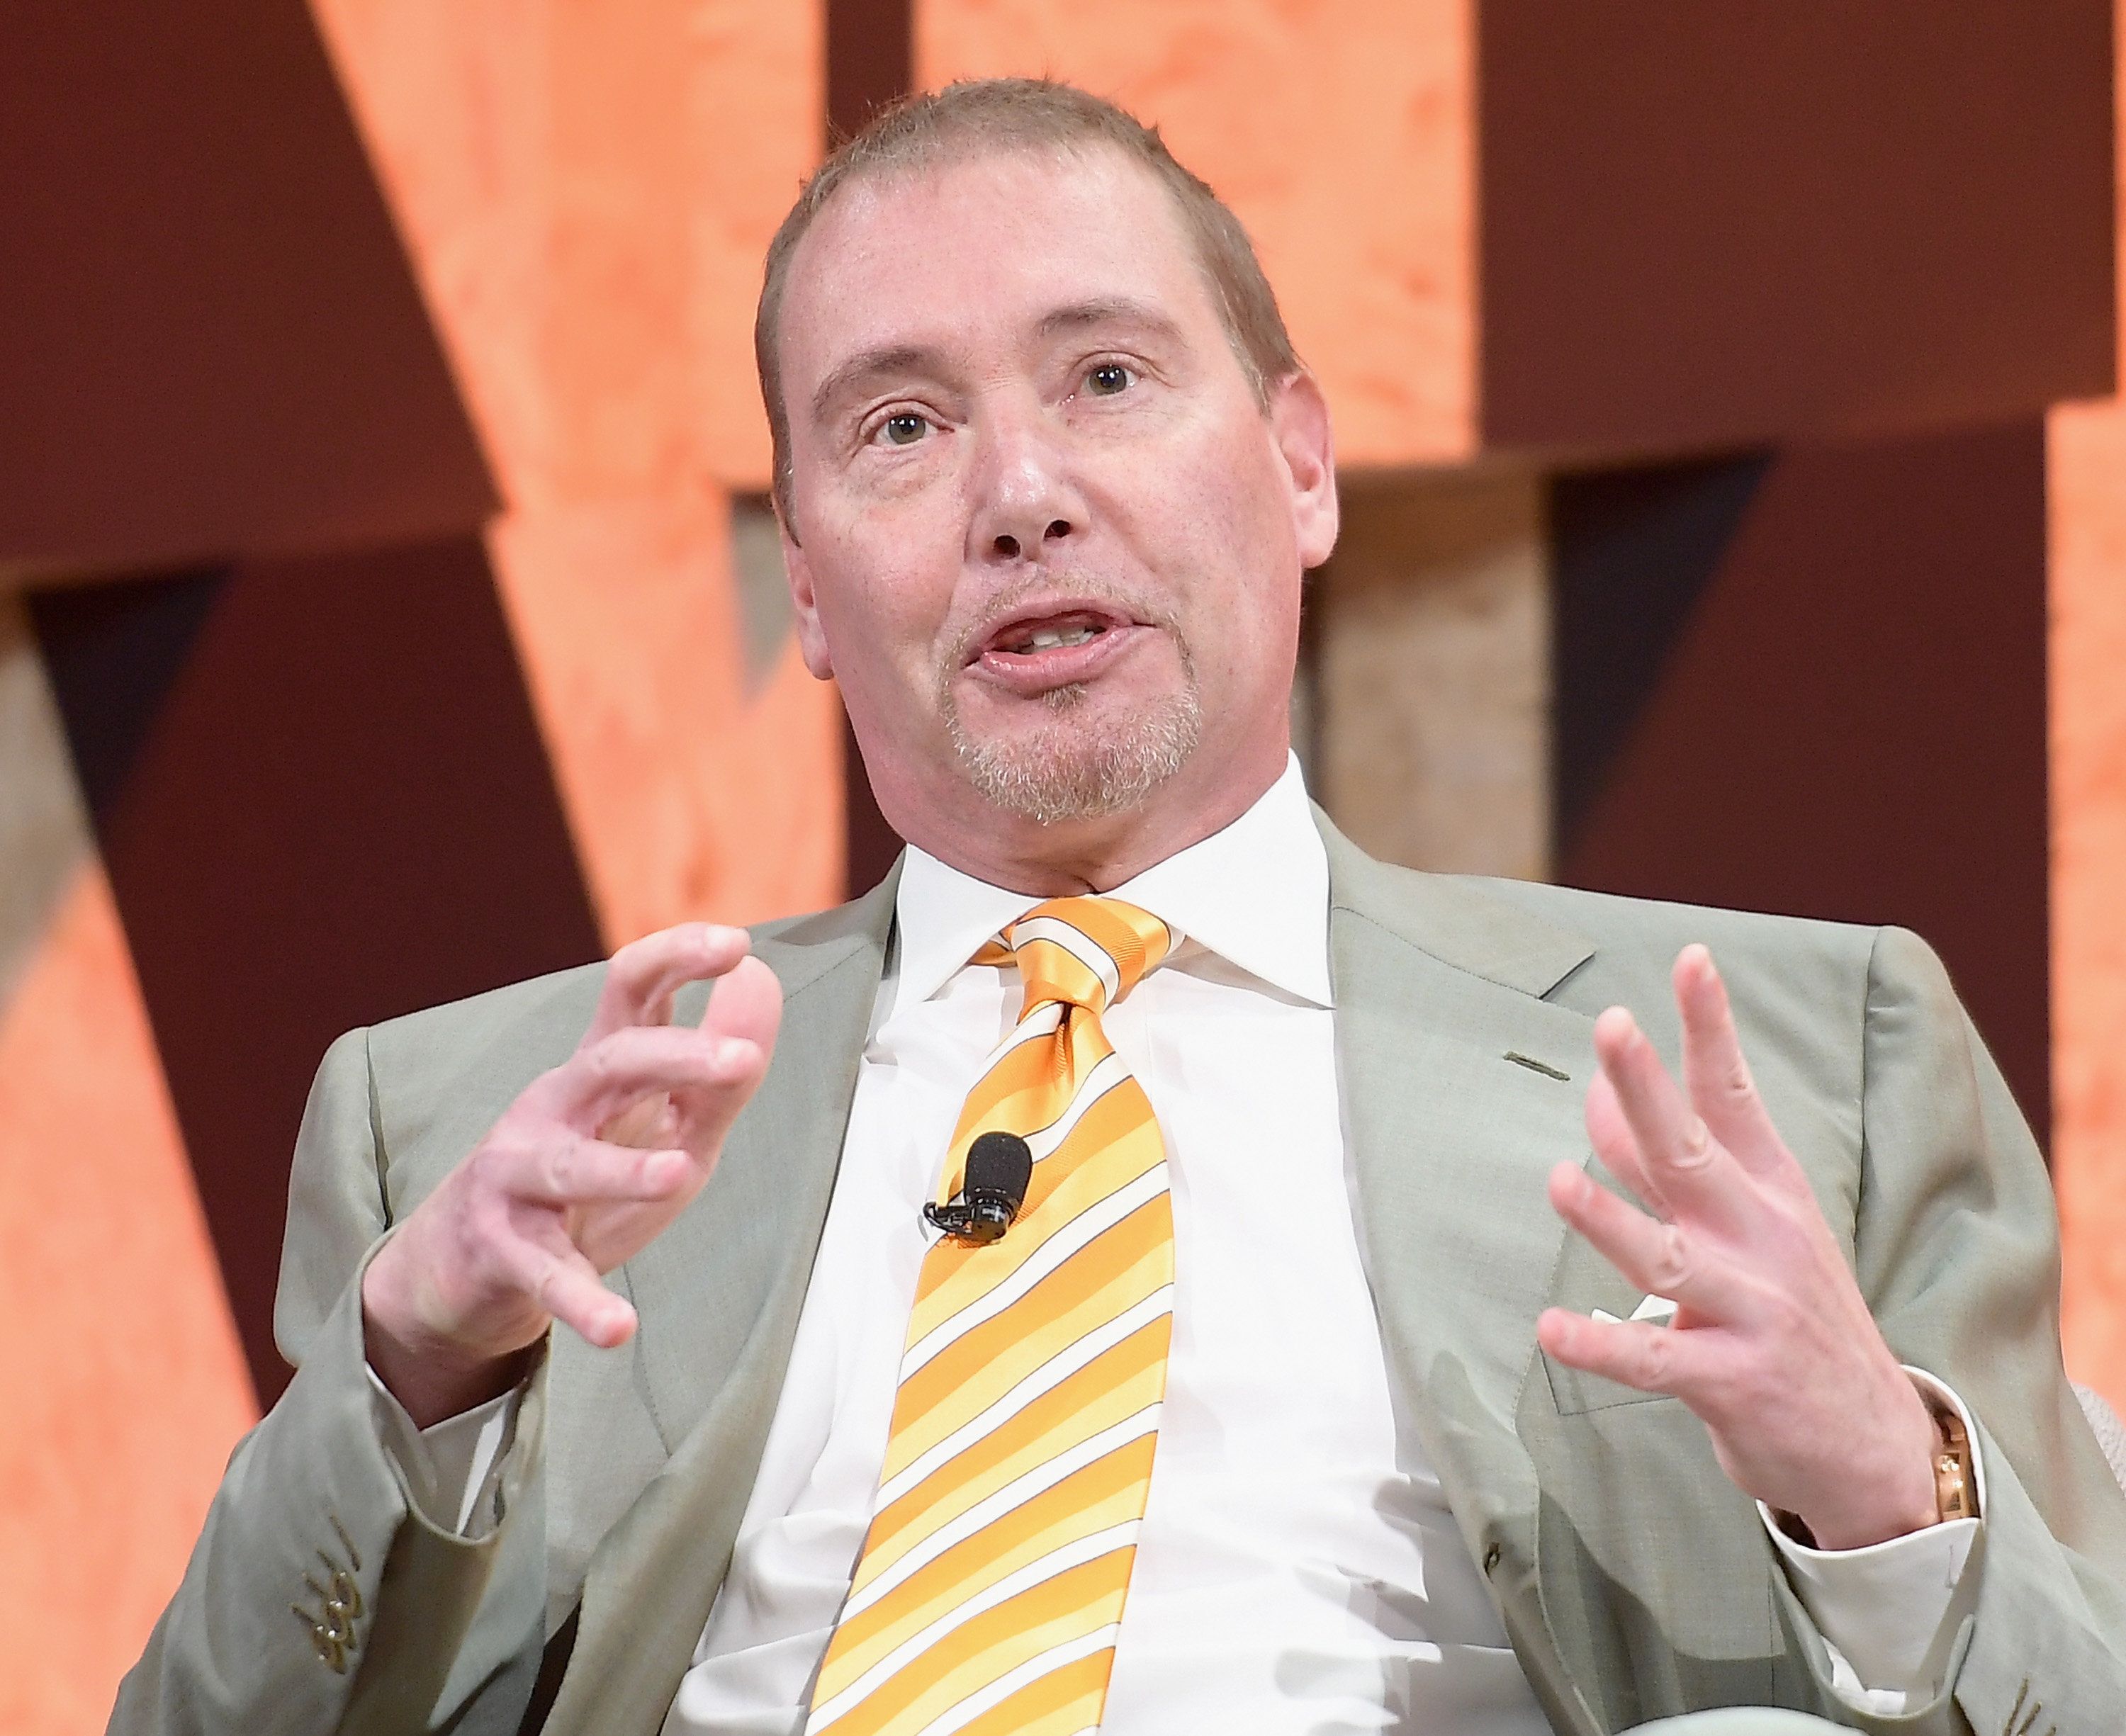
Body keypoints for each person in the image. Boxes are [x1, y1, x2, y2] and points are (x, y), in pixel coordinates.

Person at [113, 79, 2126, 1736]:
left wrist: (1890, 1493)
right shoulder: (477, 1135)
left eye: (1104, 376)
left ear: (1303, 467)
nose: (1020, 495)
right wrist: (420, 1368)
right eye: (901, 428)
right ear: (807, 584)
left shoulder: (1796, 1061)